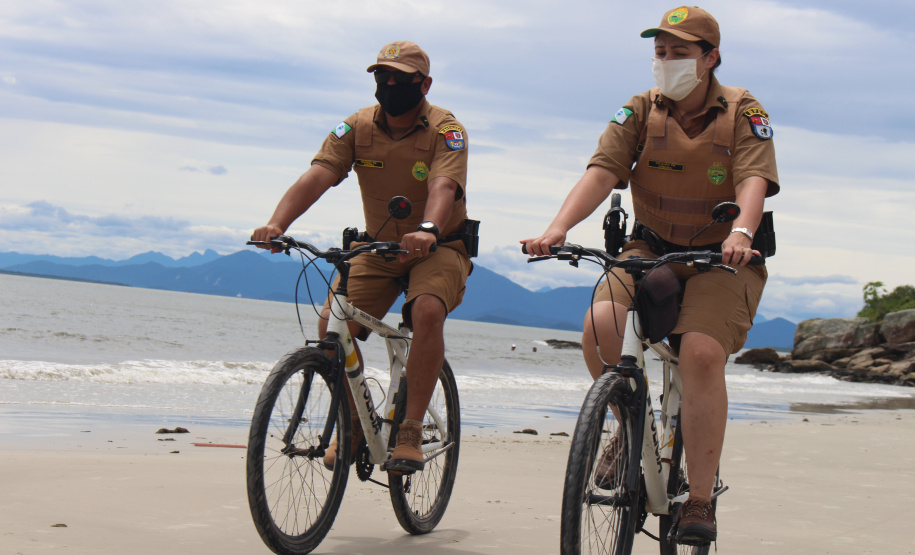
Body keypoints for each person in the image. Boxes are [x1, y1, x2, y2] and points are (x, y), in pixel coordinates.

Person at [521, 6, 778, 544]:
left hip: (722, 257)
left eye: (679, 52)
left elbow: (753, 177)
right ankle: (626, 424)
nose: (665, 62)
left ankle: (700, 500)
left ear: (710, 58)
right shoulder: (639, 109)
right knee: (601, 325)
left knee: (701, 353)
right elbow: (601, 173)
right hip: (649, 247)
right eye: (659, 52)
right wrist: (558, 228)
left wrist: (742, 234)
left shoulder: (742, 109)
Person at [251, 41, 472, 474]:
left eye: (401, 79)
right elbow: (317, 176)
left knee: (427, 310)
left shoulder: (447, 129)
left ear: (424, 84)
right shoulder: (356, 127)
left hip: (439, 246)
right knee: (333, 327)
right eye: (382, 77)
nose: (389, 86)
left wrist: (428, 229)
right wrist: (277, 224)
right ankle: (352, 425)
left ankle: (409, 428)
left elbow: (444, 186)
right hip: (377, 246)